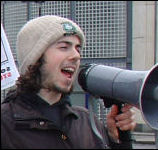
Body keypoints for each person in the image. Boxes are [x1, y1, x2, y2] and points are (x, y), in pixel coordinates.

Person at [1, 15, 136, 149]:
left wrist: (117, 141)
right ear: (35, 57)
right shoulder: (6, 124)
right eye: (64, 47)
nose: (76, 56)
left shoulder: (87, 123)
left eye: (77, 48)